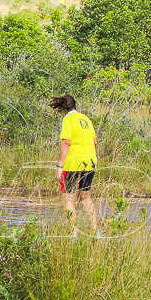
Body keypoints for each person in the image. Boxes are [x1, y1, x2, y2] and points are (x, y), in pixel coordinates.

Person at [50, 94, 98, 232]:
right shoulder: (86, 118)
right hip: (90, 161)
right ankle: (95, 231)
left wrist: (60, 166)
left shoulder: (68, 119)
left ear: (62, 108)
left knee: (68, 198)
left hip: (73, 162)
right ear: (75, 105)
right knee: (85, 197)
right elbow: (94, 141)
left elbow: (66, 142)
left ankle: (73, 233)